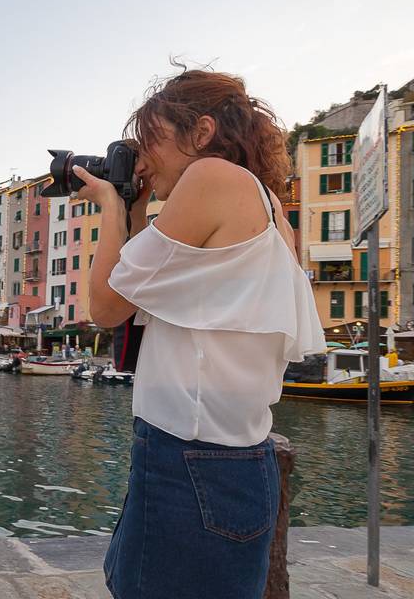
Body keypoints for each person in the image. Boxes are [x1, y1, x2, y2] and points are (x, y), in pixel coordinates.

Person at [77, 69, 326, 599]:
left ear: (201, 131)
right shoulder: (267, 206)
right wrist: (138, 207)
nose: (142, 158)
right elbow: (150, 290)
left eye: (151, 140)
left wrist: (111, 208)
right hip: (239, 461)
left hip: (187, 460)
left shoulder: (211, 177)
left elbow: (106, 306)